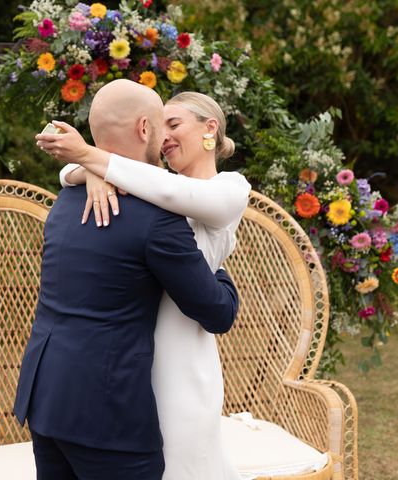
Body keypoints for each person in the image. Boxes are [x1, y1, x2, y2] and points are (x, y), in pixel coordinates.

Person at [14, 80, 240, 480]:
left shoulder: (66, 201)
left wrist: (89, 164)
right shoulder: (154, 218)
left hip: (48, 394)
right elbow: (217, 312)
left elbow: (158, 189)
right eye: (160, 123)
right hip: (109, 405)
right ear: (143, 129)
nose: (166, 136)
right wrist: (222, 275)